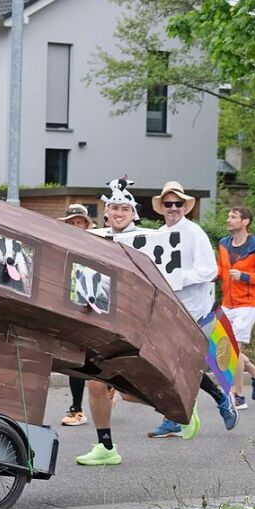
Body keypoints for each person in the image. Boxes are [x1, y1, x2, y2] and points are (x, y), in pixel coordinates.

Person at [147, 180, 237, 439]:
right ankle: (179, 415)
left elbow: (210, 271)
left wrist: (179, 277)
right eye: (168, 204)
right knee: (170, 365)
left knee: (183, 365)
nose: (173, 208)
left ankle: (218, 400)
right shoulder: (159, 235)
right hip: (169, 310)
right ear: (162, 207)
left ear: (185, 206)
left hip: (195, 311)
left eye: (178, 203)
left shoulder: (194, 232)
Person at [74, 187, 144, 467]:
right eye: (114, 208)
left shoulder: (144, 241)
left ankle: (181, 403)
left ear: (133, 213)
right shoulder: (95, 238)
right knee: (95, 383)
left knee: (131, 390)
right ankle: (106, 447)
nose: (118, 213)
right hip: (102, 317)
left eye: (124, 209)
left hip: (133, 321)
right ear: (106, 212)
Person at [57, 204, 94, 427]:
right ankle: (77, 408)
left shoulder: (98, 245)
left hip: (97, 309)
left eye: (79, 222)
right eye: (71, 222)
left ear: (86, 225)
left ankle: (107, 388)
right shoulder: (61, 247)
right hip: (72, 309)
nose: (75, 226)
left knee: (98, 358)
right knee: (76, 357)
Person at [216, 206, 255, 409]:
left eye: (233, 217)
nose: (228, 219)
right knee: (224, 347)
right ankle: (254, 373)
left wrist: (245, 276)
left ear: (245, 221)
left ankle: (239, 395)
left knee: (233, 348)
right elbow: (220, 271)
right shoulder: (223, 244)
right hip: (227, 303)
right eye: (228, 215)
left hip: (248, 304)